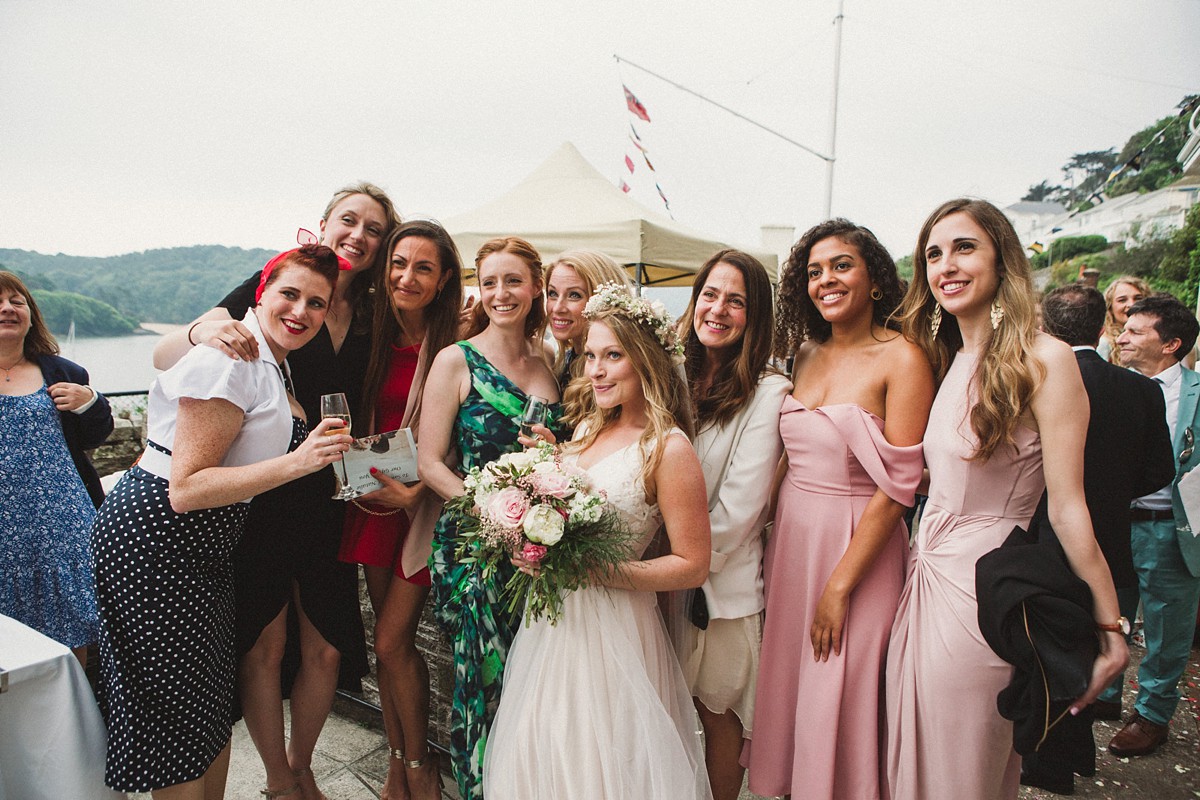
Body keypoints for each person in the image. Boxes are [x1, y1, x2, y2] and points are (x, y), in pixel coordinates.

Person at [152, 184, 398, 800]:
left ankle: (302, 763)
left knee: (327, 649)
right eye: (349, 220)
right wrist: (207, 330)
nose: (359, 236)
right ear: (322, 225)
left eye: (374, 228)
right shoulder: (284, 284)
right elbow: (175, 349)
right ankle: (277, 779)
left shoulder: (376, 314)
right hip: (256, 496)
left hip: (329, 497)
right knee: (264, 644)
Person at [886, 198, 1129, 800]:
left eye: (964, 247)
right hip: (921, 578)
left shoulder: (1045, 360)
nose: (946, 264)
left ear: (1002, 259)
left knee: (961, 770)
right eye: (934, 253)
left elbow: (1069, 506)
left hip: (986, 590)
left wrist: (1110, 625)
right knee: (918, 763)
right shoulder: (948, 358)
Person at [92, 245, 353, 798]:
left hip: (205, 546)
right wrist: (300, 461)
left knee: (210, 712)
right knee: (178, 725)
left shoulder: (273, 359)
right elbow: (185, 489)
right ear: (261, 293)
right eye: (289, 294)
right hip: (159, 543)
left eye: (316, 302)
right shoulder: (230, 357)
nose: (301, 311)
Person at [483, 286, 713, 800]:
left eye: (613, 356)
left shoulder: (668, 449)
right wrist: (534, 517)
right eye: (590, 356)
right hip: (553, 626)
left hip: (616, 635)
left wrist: (600, 572)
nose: (597, 370)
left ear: (646, 363)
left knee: (602, 766)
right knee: (546, 747)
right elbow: (570, 508)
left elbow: (693, 565)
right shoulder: (588, 427)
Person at [743, 222, 932, 800]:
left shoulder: (904, 359)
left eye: (842, 265)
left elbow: (899, 488)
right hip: (794, 543)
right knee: (794, 679)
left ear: (874, 278)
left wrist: (839, 587)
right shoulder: (804, 352)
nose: (827, 279)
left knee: (843, 683)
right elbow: (787, 457)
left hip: (859, 547)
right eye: (815, 270)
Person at [419, 236, 563, 800]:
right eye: (491, 282)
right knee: (480, 680)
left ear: (535, 288)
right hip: (473, 546)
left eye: (514, 281)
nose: (501, 293)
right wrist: (492, 517)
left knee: (534, 682)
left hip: (537, 550)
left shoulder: (552, 362)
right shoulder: (457, 359)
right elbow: (430, 462)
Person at [1019, 285, 1175, 792]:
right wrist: (1109, 495)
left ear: (1045, 326)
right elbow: (1160, 470)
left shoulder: (1031, 375)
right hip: (1107, 539)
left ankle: (1037, 757)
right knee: (1090, 648)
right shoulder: (1140, 390)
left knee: (1035, 650)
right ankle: (1073, 754)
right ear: (1102, 328)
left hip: (1036, 532)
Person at [337, 220, 464, 800]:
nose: (405, 277)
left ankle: (419, 765)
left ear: (443, 282)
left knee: (392, 643)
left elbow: (468, 442)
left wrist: (423, 493)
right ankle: (395, 764)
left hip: (424, 510)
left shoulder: (455, 348)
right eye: (398, 263)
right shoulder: (369, 336)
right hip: (371, 502)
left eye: (423, 268)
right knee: (388, 654)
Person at [667, 249, 790, 800]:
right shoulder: (671, 378)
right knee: (669, 710)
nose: (717, 309)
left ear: (754, 316)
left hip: (721, 592)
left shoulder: (769, 393)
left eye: (735, 301)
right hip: (662, 584)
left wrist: (660, 558)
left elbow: (741, 513)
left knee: (718, 718)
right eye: (710, 295)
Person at [0, 271, 112, 664]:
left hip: (61, 523)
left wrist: (90, 402)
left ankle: (69, 721)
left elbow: (95, 434)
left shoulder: (64, 372)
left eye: (17, 301)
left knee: (71, 631)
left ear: (31, 314)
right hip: (3, 527)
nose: (7, 309)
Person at [1107, 294, 1200, 757]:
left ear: (1171, 344)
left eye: (1135, 330)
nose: (1121, 336)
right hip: (1115, 522)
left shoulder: (1196, 393)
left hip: (1171, 527)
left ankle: (1152, 715)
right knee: (1107, 611)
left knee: (1166, 627)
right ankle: (1104, 694)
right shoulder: (1113, 384)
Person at [543, 249, 633, 385]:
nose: (557, 308)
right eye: (553, 293)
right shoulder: (563, 363)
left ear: (603, 300)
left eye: (574, 295)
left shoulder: (617, 369)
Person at [1097, 275, 1150, 364]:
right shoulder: (1104, 344)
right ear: (1110, 307)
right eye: (1122, 300)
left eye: (1138, 298)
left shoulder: (1156, 339)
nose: (1131, 304)